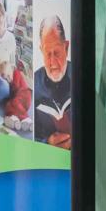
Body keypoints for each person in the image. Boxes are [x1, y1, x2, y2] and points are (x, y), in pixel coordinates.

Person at [32, 16, 73, 149]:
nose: (52, 63)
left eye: (57, 53)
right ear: (41, 51)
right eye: (47, 54)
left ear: (66, 47)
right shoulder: (34, 84)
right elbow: (29, 137)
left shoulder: (82, 76)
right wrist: (47, 143)